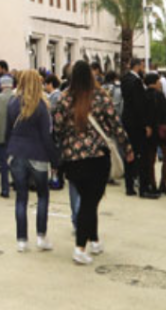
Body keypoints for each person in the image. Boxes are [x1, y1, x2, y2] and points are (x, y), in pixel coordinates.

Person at [53, 60, 134, 265]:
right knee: (91, 202)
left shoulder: (63, 99)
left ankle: (95, 240)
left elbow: (57, 129)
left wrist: (63, 148)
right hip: (97, 158)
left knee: (89, 201)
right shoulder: (100, 97)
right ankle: (80, 248)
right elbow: (115, 124)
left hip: (73, 159)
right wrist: (127, 148)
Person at [6, 70, 59, 253]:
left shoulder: (12, 103)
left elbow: (7, 130)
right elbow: (47, 135)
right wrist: (55, 160)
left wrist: (8, 151)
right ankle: (41, 236)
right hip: (38, 154)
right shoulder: (42, 106)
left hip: (16, 152)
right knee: (42, 195)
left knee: (21, 197)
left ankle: (21, 240)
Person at [120, 58, 154, 197]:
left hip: (127, 120)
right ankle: (143, 188)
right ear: (138, 66)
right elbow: (139, 105)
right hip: (136, 123)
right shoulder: (136, 82)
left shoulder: (125, 79)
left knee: (130, 152)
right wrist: (146, 124)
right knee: (141, 154)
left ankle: (129, 186)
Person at [145, 73, 166, 196]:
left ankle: (153, 184)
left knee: (151, 159)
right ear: (155, 82)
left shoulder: (143, 95)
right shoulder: (160, 95)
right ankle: (163, 184)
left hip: (149, 132)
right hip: (162, 131)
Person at [0, 75, 15, 198]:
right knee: (16, 162)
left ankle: (5, 189)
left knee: (4, 163)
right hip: (16, 135)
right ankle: (18, 184)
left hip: (2, 134)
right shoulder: (18, 98)